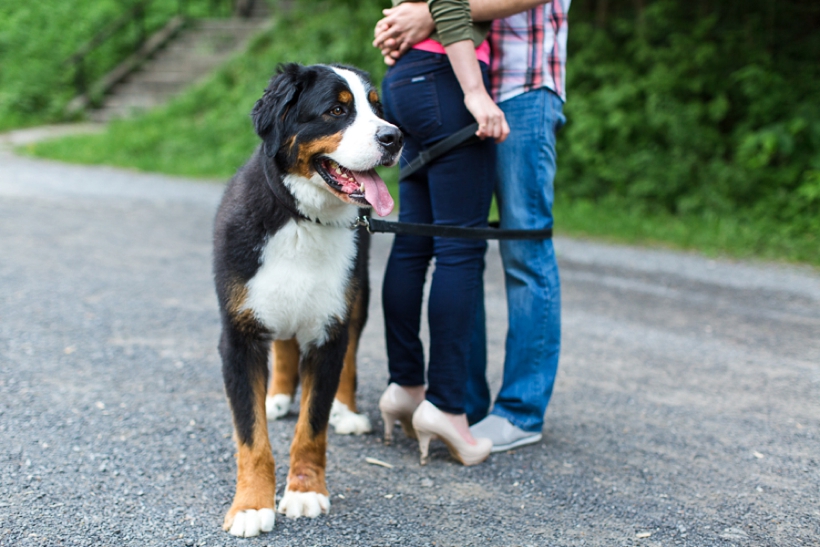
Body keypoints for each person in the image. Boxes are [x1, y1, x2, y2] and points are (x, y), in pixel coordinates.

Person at [374, 0, 570, 452]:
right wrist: (417, 19)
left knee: (520, 248)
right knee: (454, 248)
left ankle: (519, 411)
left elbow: (444, 4)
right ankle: (459, 401)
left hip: (520, 85)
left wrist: (432, 14)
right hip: (454, 78)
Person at [377, 0, 510, 466]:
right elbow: (449, 3)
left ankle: (406, 386)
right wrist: (474, 91)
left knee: (413, 243)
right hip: (446, 75)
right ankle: (449, 408)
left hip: (407, 79)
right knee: (459, 247)